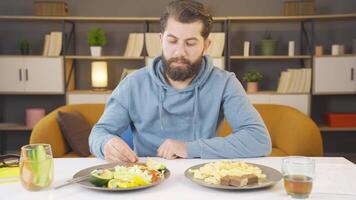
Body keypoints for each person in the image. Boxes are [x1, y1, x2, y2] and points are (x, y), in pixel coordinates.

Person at [89, 0, 271, 163]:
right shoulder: (132, 84)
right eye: (172, 41)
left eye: (190, 43)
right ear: (161, 40)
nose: (179, 52)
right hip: (146, 180)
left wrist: (189, 148)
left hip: (203, 179)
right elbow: (98, 134)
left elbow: (259, 140)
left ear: (206, 45)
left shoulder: (225, 83)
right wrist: (106, 143)